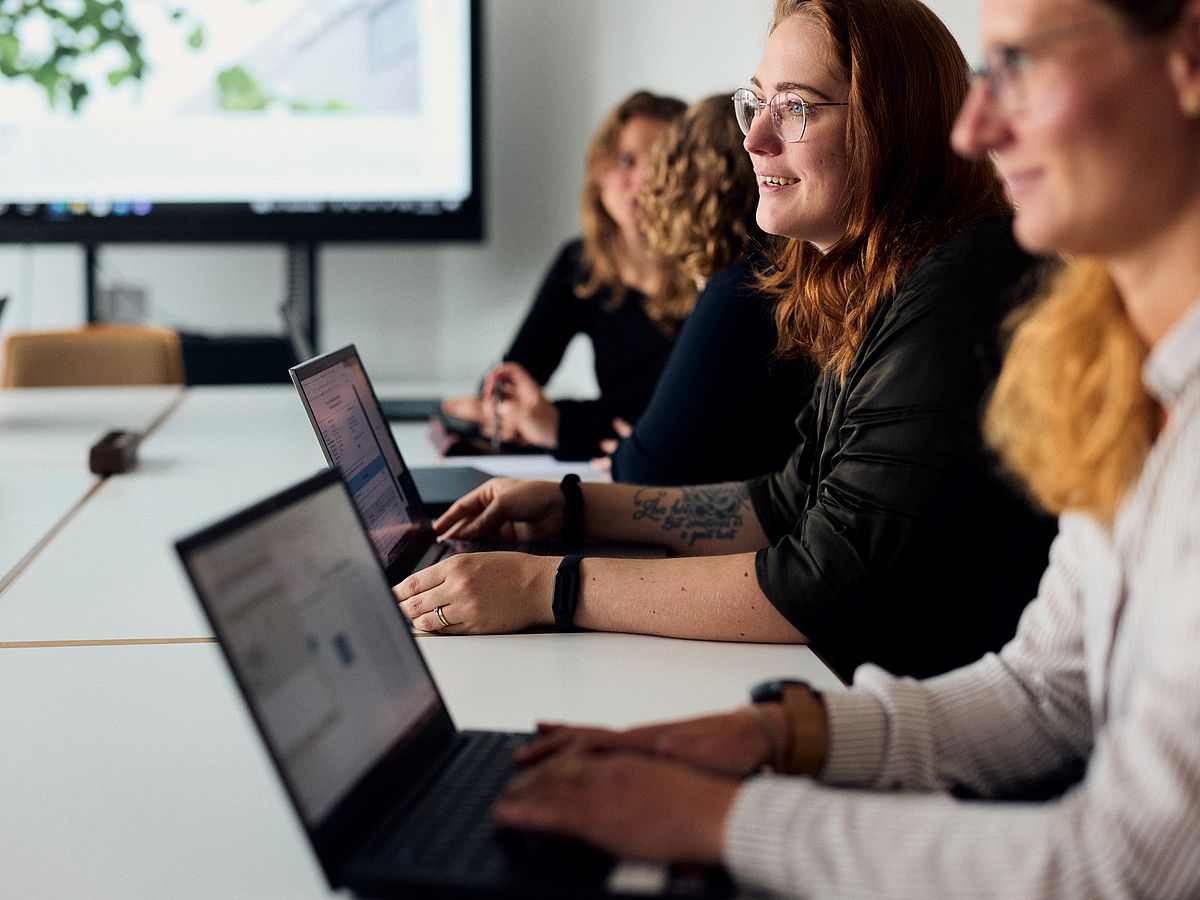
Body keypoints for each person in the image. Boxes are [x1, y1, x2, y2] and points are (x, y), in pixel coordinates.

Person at [488, 0, 1200, 895]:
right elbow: (1044, 693)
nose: (976, 127)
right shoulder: (1114, 367)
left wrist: (721, 818)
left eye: (1021, 64)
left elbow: (1122, 868)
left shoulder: (960, 291)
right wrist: (778, 733)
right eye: (759, 103)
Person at [397, 0, 1059, 682]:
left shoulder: (954, 294)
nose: (755, 138)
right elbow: (782, 503)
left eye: (795, 108)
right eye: (757, 103)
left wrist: (546, 588)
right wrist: (572, 503)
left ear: (890, 126)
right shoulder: (877, 280)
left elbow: (823, 583)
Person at [441, 90, 686, 461]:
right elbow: (514, 376)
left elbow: (672, 424)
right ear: (599, 171)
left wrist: (556, 423)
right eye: (626, 161)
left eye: (662, 166)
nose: (642, 182)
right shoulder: (581, 263)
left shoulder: (714, 275)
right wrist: (503, 408)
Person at [598, 92, 816, 486]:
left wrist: (631, 454)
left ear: (682, 188)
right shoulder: (775, 279)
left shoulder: (739, 292)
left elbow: (644, 472)